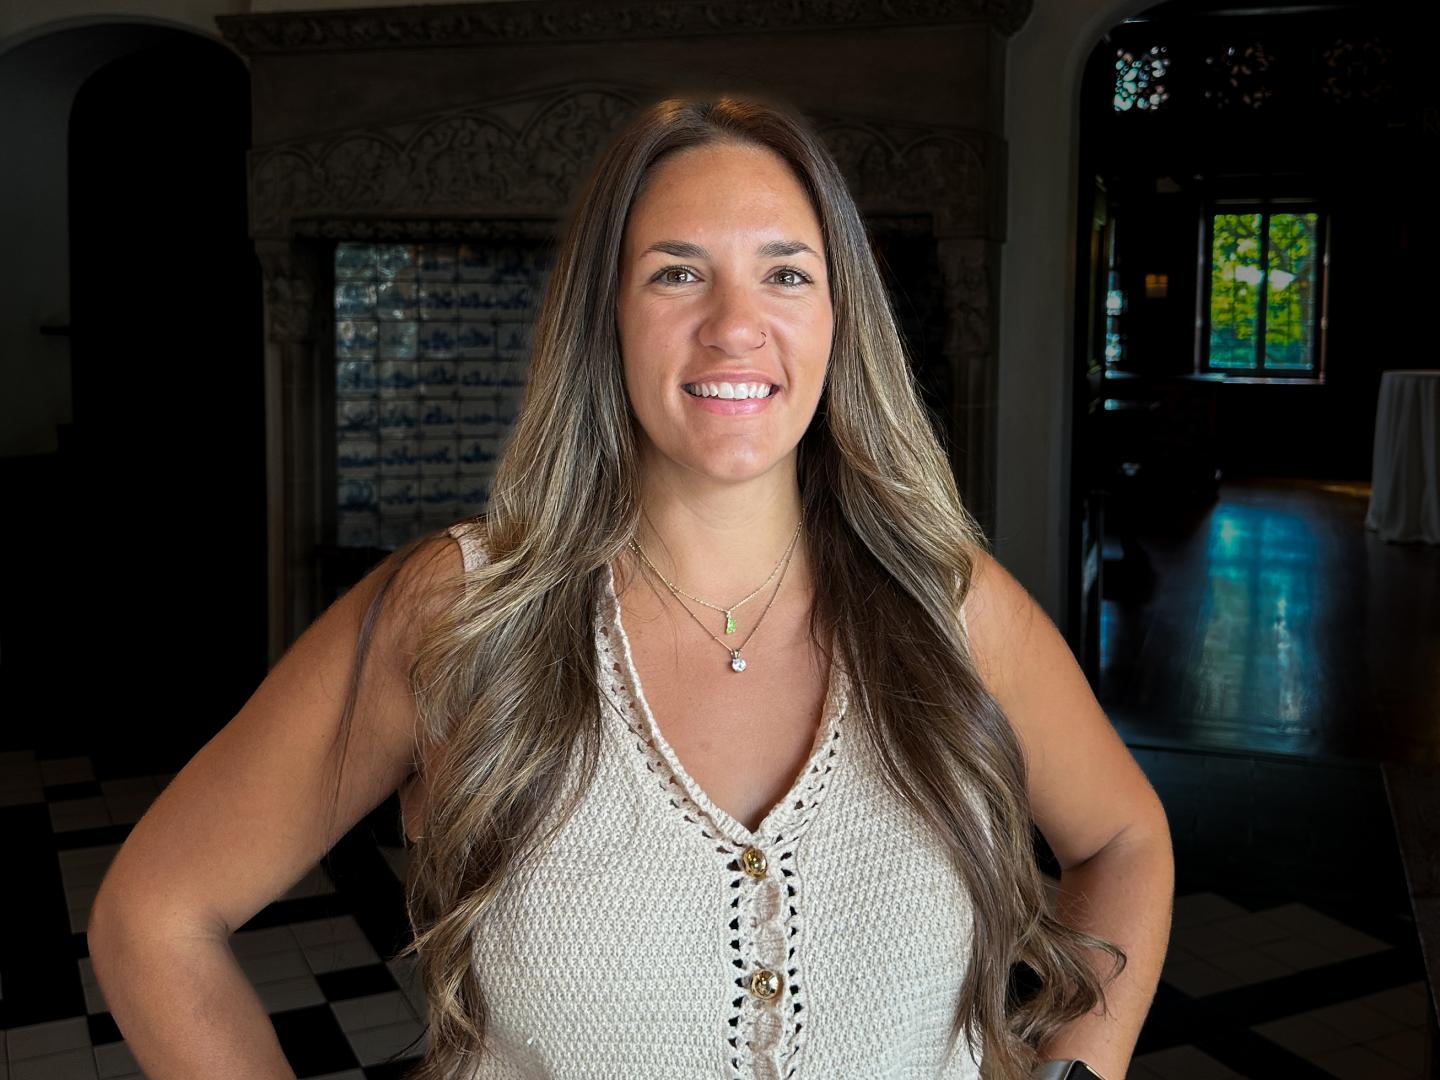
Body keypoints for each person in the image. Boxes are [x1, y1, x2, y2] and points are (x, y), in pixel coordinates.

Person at [87, 95, 1173, 1080]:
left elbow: (1124, 841)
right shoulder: (462, 613)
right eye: (677, 273)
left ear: (841, 318)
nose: (735, 323)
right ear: (603, 315)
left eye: (787, 273)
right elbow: (154, 915)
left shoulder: (949, 604)